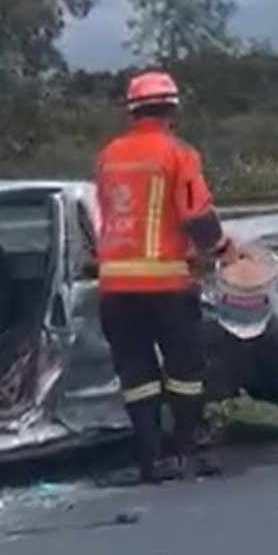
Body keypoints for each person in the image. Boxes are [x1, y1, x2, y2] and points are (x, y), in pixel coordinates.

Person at [94, 69, 235, 483]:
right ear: (172, 108)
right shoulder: (178, 154)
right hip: (166, 285)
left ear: (132, 110)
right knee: (185, 371)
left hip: (116, 288)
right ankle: (186, 452)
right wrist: (225, 251)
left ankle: (150, 458)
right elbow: (196, 217)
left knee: (135, 373)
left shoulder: (108, 156)